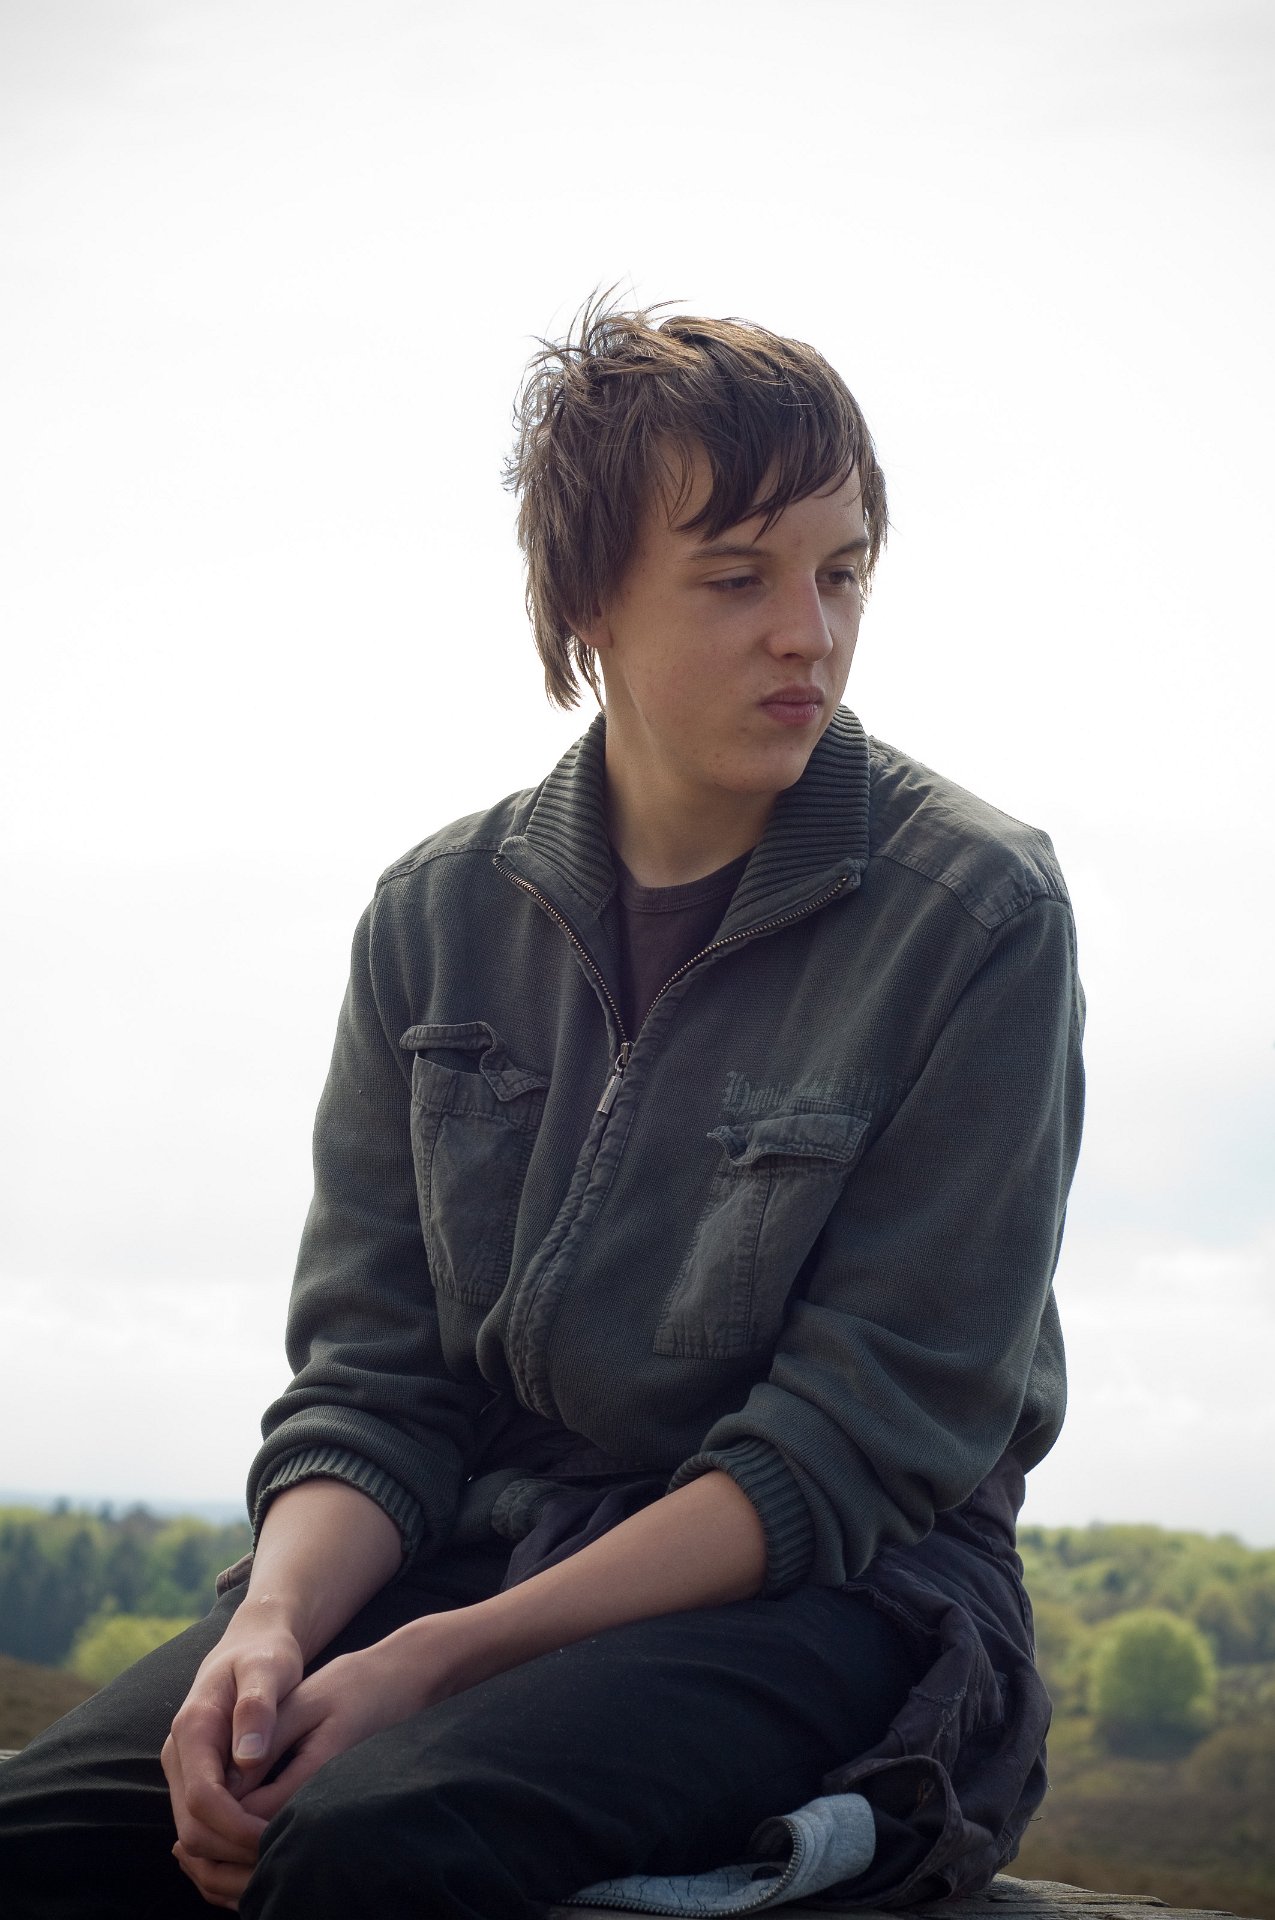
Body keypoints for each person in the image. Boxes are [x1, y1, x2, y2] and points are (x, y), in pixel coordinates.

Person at [0, 301, 1084, 1918]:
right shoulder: (434, 915)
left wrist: (442, 1659)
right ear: (585, 602)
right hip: (470, 1540)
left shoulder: (976, 913)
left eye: (843, 572)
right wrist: (271, 1630)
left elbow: (856, 1445)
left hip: (838, 1595)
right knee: (56, 1840)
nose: (810, 633)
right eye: (739, 578)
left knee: (373, 1843)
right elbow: (375, 1382)